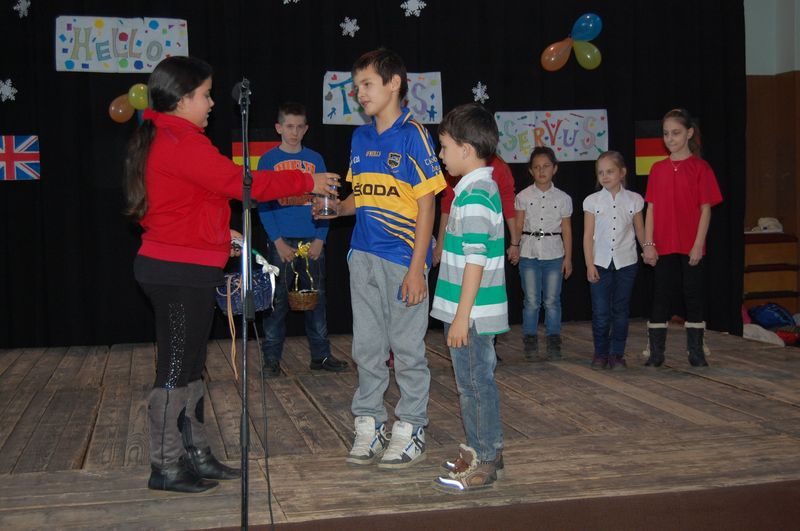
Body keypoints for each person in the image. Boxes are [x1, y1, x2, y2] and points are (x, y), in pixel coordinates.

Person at [123, 56, 339, 493]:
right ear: (182, 100)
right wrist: (307, 182)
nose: (211, 103)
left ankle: (195, 453)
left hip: (185, 265)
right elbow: (243, 184)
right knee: (176, 367)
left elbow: (184, 203)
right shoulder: (181, 141)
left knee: (191, 365)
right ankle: (166, 464)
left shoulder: (171, 137)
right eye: (205, 95)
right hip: (177, 270)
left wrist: (222, 234)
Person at [337, 48, 446, 469]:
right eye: (356, 86)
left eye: (366, 84)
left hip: (403, 259)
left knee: (407, 348)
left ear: (394, 83)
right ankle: (369, 421)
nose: (359, 93)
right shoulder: (360, 138)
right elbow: (361, 196)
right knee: (367, 346)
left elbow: (427, 204)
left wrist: (418, 268)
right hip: (362, 256)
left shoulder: (413, 135)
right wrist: (335, 208)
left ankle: (412, 424)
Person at [430, 103, 509, 493]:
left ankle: (485, 457)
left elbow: (475, 261)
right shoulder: (471, 191)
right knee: (472, 383)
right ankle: (484, 447)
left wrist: (462, 316)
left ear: (465, 148)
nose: (441, 154)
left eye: (444, 147)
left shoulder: (476, 194)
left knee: (475, 385)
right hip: (467, 311)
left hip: (472, 314)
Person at [256, 102, 349, 377]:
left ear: (306, 129)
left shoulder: (315, 159)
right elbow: (263, 204)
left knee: (316, 300)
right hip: (282, 242)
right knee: (276, 303)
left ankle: (320, 355)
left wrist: (320, 238)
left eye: (299, 127)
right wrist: (277, 241)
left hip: (311, 238)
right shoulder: (268, 160)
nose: (294, 132)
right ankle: (271, 359)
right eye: (289, 127)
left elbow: (327, 200)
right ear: (279, 128)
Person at [641, 108, 722, 367]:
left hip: (690, 243)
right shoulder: (657, 169)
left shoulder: (701, 168)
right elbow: (651, 208)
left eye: (675, 133)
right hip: (663, 243)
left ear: (689, 133)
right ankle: (656, 353)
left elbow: (705, 209)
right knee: (661, 294)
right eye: (666, 134)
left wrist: (698, 244)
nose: (670, 139)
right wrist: (649, 244)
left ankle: (696, 351)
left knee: (693, 294)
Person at [507, 147, 573, 361]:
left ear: (555, 169)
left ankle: (553, 341)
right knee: (532, 300)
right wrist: (515, 245)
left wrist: (568, 258)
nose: (541, 171)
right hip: (529, 253)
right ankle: (530, 341)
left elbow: (567, 230)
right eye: (536, 167)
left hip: (554, 253)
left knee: (552, 300)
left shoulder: (563, 198)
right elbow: (518, 224)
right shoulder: (523, 196)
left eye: (546, 166)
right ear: (530, 171)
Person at [583, 151, 645, 370]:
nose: (605, 176)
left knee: (620, 310)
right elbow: (587, 236)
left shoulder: (634, 200)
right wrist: (589, 264)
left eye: (610, 171)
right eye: (601, 172)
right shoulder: (592, 201)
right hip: (600, 263)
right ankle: (601, 353)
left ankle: (617, 354)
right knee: (601, 312)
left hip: (626, 263)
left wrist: (648, 247)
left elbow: (640, 230)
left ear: (622, 172)